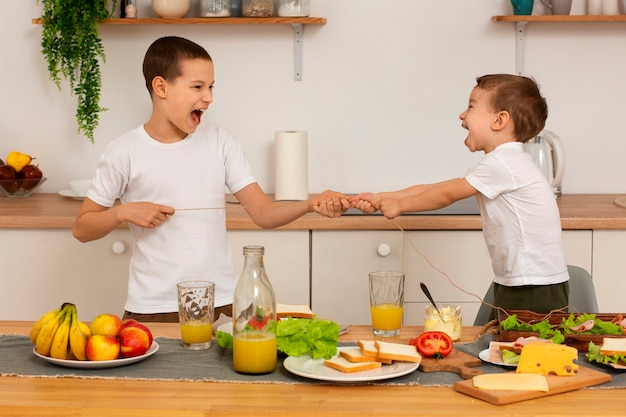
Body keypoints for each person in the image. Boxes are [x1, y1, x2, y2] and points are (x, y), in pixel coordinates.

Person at [73, 36, 348, 322]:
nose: (209, 97)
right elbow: (82, 228)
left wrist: (309, 205)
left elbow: (263, 213)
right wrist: (123, 212)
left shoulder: (220, 141)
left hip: (224, 306)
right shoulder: (124, 151)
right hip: (155, 309)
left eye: (211, 87)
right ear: (161, 87)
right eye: (197, 87)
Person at [350, 74, 569, 318]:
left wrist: (398, 206)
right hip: (526, 282)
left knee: (521, 352)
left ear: (499, 120)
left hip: (531, 287)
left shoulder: (503, 164)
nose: (462, 115)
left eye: (471, 106)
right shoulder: (504, 162)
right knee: (503, 348)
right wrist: (381, 198)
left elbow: (445, 194)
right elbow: (440, 186)